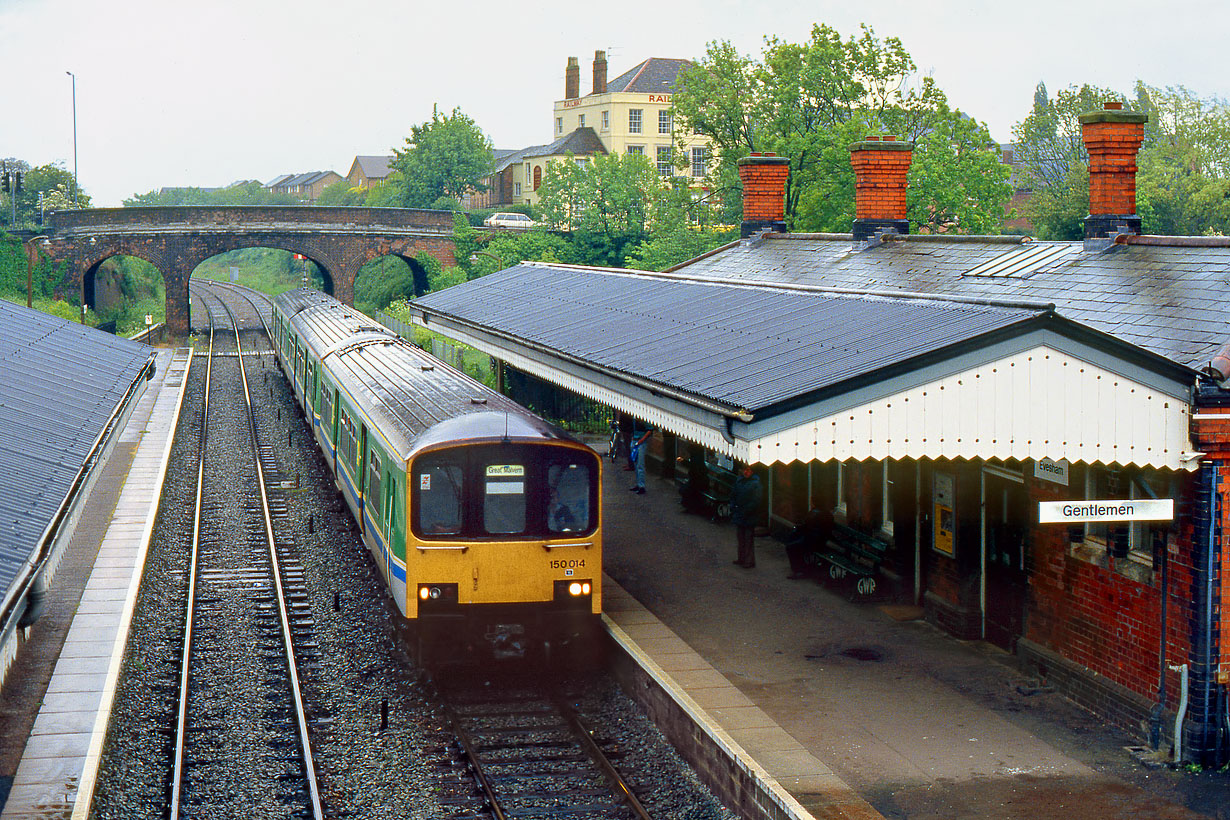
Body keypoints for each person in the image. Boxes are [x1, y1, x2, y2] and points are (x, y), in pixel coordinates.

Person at [783, 503, 834, 579]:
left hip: (814, 541)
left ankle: (799, 570)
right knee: (795, 544)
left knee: (791, 547)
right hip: (820, 541)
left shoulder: (815, 513)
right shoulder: (827, 514)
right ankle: (801, 568)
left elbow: (807, 526)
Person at [729, 463, 761, 568]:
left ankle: (749, 560)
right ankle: (742, 558)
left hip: (749, 514)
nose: (746, 472)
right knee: (741, 537)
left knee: (748, 538)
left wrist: (746, 509)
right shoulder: (740, 481)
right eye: (745, 470)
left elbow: (756, 500)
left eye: (748, 470)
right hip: (740, 513)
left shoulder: (756, 484)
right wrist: (733, 506)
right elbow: (733, 495)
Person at [629, 426, 653, 494]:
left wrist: (642, 439)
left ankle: (641, 486)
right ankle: (638, 483)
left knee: (640, 464)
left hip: (640, 442)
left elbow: (650, 430)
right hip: (635, 440)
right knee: (636, 463)